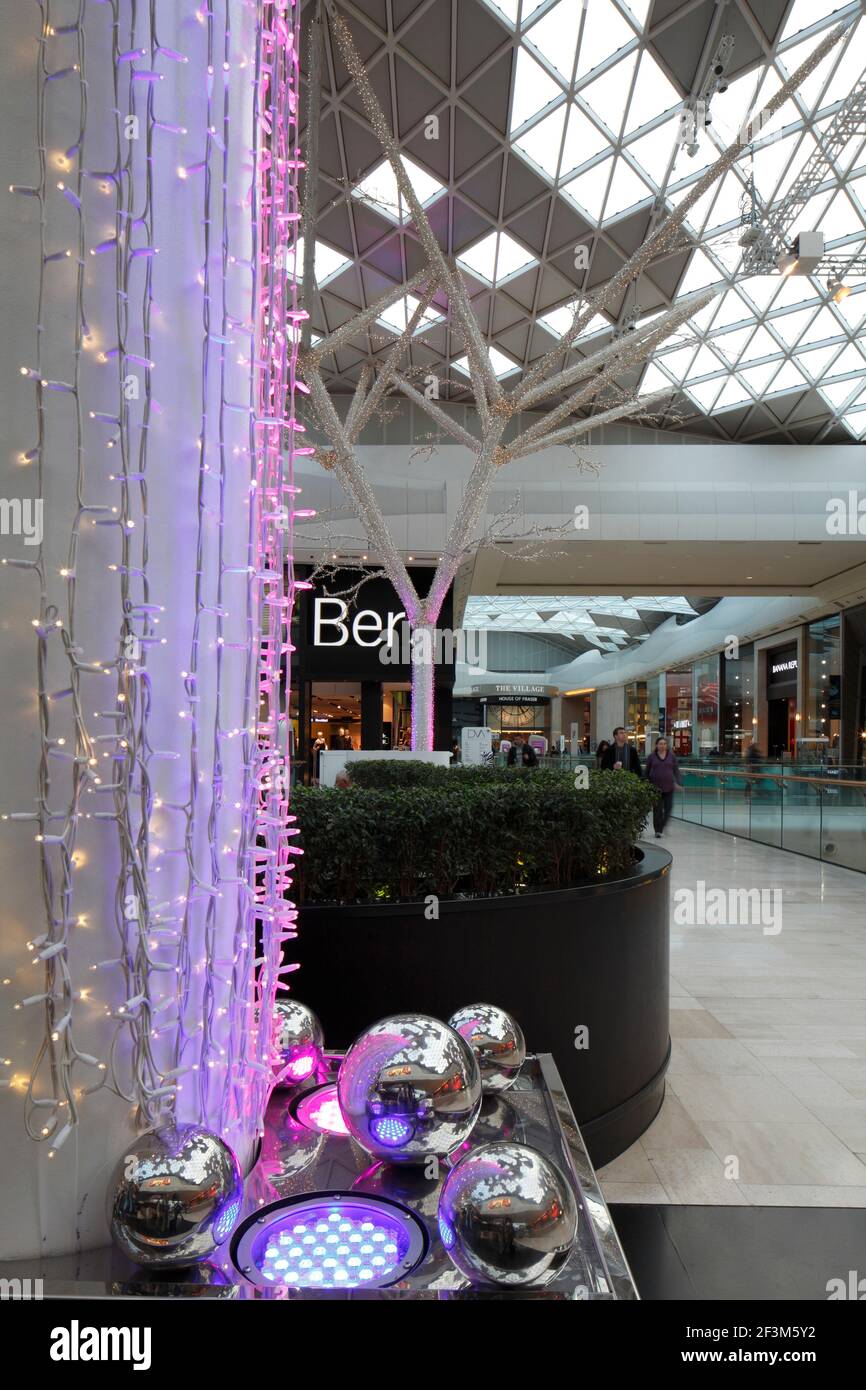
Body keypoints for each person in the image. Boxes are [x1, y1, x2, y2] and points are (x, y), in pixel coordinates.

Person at [645, 736, 683, 837]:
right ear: (656, 745)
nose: (662, 746)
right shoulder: (651, 757)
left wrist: (678, 782)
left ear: (667, 746)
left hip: (669, 788)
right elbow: (646, 772)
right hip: (655, 788)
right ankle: (658, 831)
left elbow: (676, 770)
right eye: (660, 744)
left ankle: (662, 825)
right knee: (657, 810)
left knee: (668, 808)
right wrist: (646, 784)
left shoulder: (672, 756)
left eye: (664, 744)